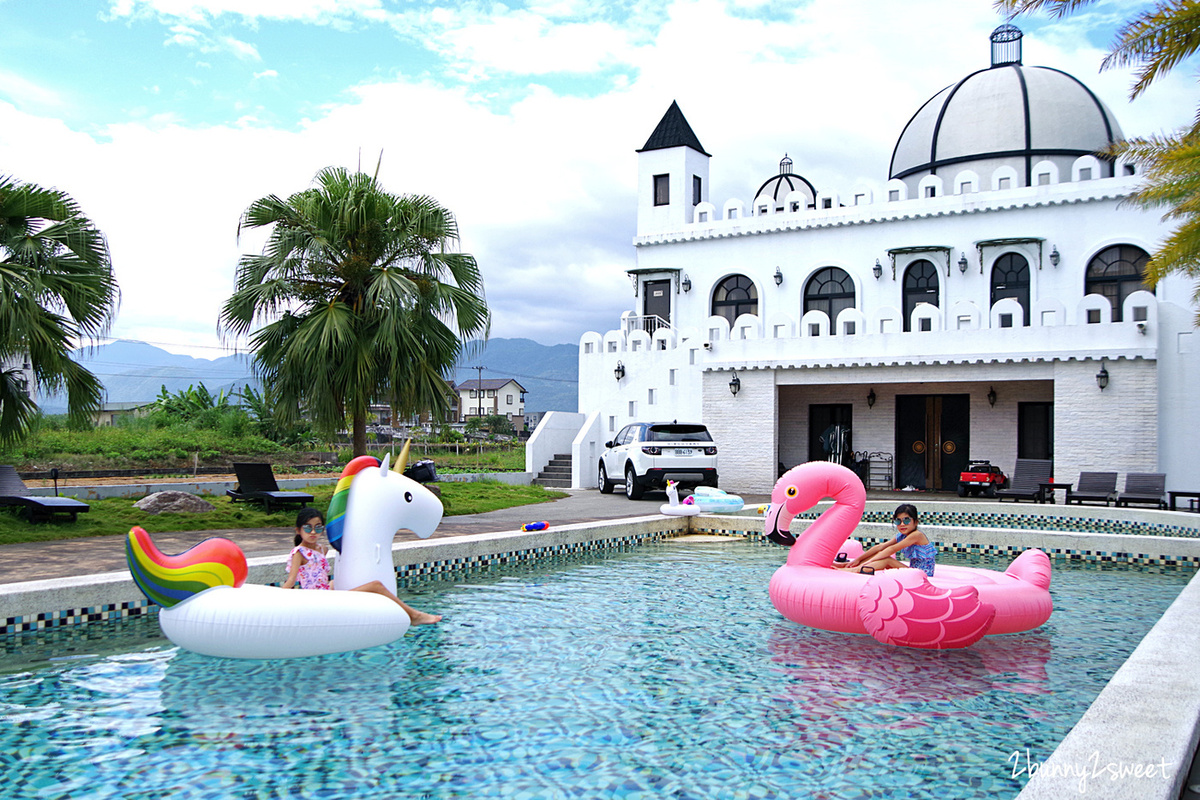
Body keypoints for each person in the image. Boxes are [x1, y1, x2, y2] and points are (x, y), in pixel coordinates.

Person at [282, 507, 441, 625]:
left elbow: (319, 577)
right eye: (308, 528)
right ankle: (414, 616)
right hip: (318, 601)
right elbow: (291, 581)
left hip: (324, 593)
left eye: (318, 528)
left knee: (340, 581)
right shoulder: (299, 553)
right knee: (376, 586)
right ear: (298, 530)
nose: (313, 532)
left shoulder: (321, 549)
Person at [836, 503, 936, 576]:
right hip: (913, 571)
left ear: (916, 522)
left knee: (887, 559)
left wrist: (869, 561)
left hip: (923, 574)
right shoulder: (901, 536)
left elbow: (891, 550)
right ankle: (850, 565)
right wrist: (859, 559)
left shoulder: (917, 535)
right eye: (898, 521)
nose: (902, 524)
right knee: (879, 553)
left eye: (906, 520)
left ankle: (855, 570)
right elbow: (881, 546)